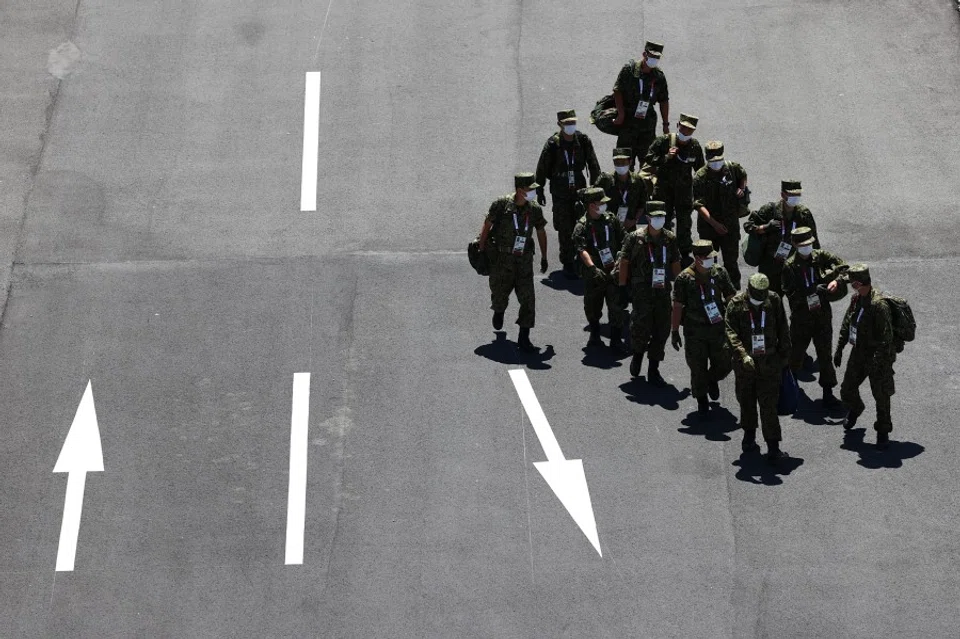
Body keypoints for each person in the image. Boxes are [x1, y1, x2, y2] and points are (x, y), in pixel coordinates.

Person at [478, 172, 548, 352]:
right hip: (502, 260)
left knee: (528, 299)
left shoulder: (534, 210)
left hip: (524, 260)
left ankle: (524, 338)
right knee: (500, 294)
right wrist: (481, 247)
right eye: (529, 189)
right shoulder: (501, 205)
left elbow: (540, 231)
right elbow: (487, 225)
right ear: (519, 190)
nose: (532, 193)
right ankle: (499, 310)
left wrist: (544, 256)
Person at [725, 273, 791, 462]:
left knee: (768, 405)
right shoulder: (736, 305)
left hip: (769, 362)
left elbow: (783, 328)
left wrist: (785, 357)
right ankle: (749, 437)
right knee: (746, 401)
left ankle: (773, 447)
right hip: (745, 364)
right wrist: (742, 355)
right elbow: (730, 333)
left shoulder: (774, 300)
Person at [781, 227, 847, 408]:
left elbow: (844, 268)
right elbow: (790, 294)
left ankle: (828, 393)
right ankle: (791, 390)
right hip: (801, 318)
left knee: (825, 355)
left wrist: (836, 281)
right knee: (795, 356)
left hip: (822, 316)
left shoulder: (820, 256)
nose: (807, 248)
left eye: (809, 244)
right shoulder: (790, 266)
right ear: (794, 245)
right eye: (802, 245)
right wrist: (812, 291)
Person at [671, 240, 737, 419]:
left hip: (717, 328)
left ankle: (712, 379)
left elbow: (731, 297)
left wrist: (737, 321)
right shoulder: (684, 279)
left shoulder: (720, 272)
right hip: (695, 331)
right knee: (697, 367)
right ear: (698, 258)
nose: (711, 260)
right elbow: (677, 305)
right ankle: (702, 400)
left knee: (725, 361)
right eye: (707, 257)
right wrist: (675, 330)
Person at [618, 201, 681, 385]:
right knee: (640, 326)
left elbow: (675, 264)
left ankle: (654, 367)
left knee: (661, 329)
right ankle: (637, 355)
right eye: (656, 217)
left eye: (662, 216)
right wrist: (622, 287)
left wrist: (679, 288)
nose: (660, 220)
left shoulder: (669, 239)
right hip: (642, 291)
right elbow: (624, 261)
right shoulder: (634, 238)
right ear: (648, 218)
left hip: (662, 292)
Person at [834, 265, 896, 449]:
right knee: (847, 389)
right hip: (859, 352)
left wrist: (878, 362)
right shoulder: (857, 299)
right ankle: (856, 408)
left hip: (878, 357)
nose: (850, 286)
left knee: (881, 396)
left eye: (852, 283)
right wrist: (839, 347)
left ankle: (883, 432)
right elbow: (848, 323)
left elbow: (887, 338)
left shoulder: (879, 305)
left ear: (859, 283)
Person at [535, 109, 602, 279]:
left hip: (579, 189)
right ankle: (567, 261)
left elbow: (593, 164)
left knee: (582, 223)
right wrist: (540, 188)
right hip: (560, 190)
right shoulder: (553, 144)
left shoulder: (583, 140)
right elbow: (542, 167)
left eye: (573, 122)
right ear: (560, 125)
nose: (571, 126)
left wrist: (596, 188)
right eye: (567, 123)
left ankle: (582, 257)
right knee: (564, 227)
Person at [641, 113, 705, 266]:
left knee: (684, 222)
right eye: (683, 128)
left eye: (689, 130)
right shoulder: (664, 141)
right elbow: (649, 158)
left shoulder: (694, 146)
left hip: (683, 192)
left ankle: (684, 252)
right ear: (678, 126)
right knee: (663, 221)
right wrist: (665, 157)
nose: (686, 132)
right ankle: (663, 249)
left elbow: (700, 170)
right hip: (664, 190)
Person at [743, 180, 819, 295]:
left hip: (794, 265)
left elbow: (814, 241)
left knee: (798, 301)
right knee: (772, 303)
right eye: (792, 195)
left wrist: (816, 265)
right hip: (770, 265)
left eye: (798, 195)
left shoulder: (803, 214)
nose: (795, 197)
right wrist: (765, 227)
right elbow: (748, 226)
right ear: (783, 195)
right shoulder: (769, 210)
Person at [572, 188, 626, 350]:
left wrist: (620, 260)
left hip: (613, 269)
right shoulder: (582, 226)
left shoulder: (611, 220)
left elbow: (624, 240)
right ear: (591, 205)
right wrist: (593, 268)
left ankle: (616, 340)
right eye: (600, 203)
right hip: (594, 273)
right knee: (592, 305)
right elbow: (581, 249)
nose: (603, 206)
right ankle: (594, 334)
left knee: (616, 305)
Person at [693, 141, 748, 289]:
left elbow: (743, 175)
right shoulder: (700, 176)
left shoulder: (731, 168)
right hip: (709, 227)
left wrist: (741, 189)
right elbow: (699, 205)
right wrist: (715, 224)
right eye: (713, 161)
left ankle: (734, 291)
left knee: (731, 262)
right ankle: (713, 290)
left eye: (719, 160)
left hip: (730, 225)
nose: (716, 163)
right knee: (710, 262)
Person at [611, 41, 669, 170]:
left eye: (657, 57)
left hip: (647, 125)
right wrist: (621, 114)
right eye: (652, 56)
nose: (654, 60)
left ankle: (645, 189)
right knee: (624, 162)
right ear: (644, 54)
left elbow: (664, 100)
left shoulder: (658, 76)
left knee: (648, 164)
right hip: (628, 122)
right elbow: (617, 90)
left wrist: (665, 124)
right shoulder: (630, 69)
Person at [594, 147, 651, 233]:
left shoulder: (637, 181)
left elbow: (642, 204)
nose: (620, 165)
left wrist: (634, 221)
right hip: (609, 227)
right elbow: (595, 201)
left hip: (630, 226)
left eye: (623, 162)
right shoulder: (605, 180)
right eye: (617, 162)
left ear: (630, 162)